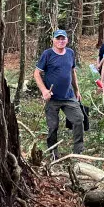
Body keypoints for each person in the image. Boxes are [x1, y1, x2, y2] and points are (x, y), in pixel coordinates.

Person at [34, 29, 84, 158]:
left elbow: (72, 72)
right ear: (53, 40)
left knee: (78, 119)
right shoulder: (47, 54)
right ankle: (53, 151)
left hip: (68, 96)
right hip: (52, 98)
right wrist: (44, 91)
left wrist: (77, 90)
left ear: (67, 40)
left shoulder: (70, 53)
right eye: (58, 38)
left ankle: (78, 151)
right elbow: (36, 73)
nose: (61, 41)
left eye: (63, 39)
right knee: (53, 126)